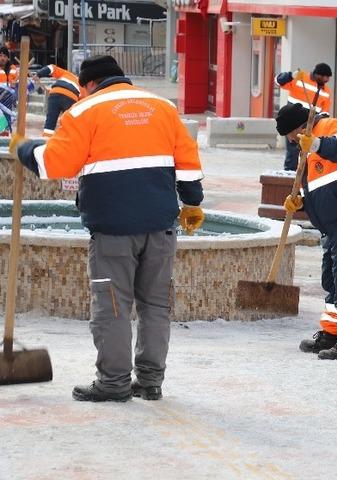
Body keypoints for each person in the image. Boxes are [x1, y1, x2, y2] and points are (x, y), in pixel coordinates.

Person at [13, 55, 205, 402]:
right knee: (155, 305)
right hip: (161, 226)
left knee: (113, 306)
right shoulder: (162, 107)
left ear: (88, 84)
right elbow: (188, 162)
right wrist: (192, 202)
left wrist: (25, 150)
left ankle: (114, 383)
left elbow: (54, 163)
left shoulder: (84, 112)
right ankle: (149, 381)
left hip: (113, 229)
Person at [277, 103, 337, 361]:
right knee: (331, 280)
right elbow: (323, 188)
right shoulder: (306, 148)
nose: (291, 141)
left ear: (299, 128)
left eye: (290, 136)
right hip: (331, 224)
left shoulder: (334, 127)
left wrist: (315, 144)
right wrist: (302, 204)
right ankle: (332, 333)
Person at [275, 62, 333, 171]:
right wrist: (291, 75)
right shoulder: (300, 79)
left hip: (311, 125)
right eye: (324, 77)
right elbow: (278, 81)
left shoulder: (326, 91)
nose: (326, 80)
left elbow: (325, 113)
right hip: (293, 123)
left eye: (328, 78)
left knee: (309, 154)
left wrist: (317, 123)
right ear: (317, 74)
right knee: (292, 152)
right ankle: (290, 175)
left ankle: (306, 177)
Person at [32, 64, 82, 136]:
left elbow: (51, 68)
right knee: (69, 123)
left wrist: (39, 74)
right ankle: (66, 141)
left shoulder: (67, 74)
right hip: (71, 97)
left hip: (55, 92)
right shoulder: (83, 85)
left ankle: (46, 140)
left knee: (50, 121)